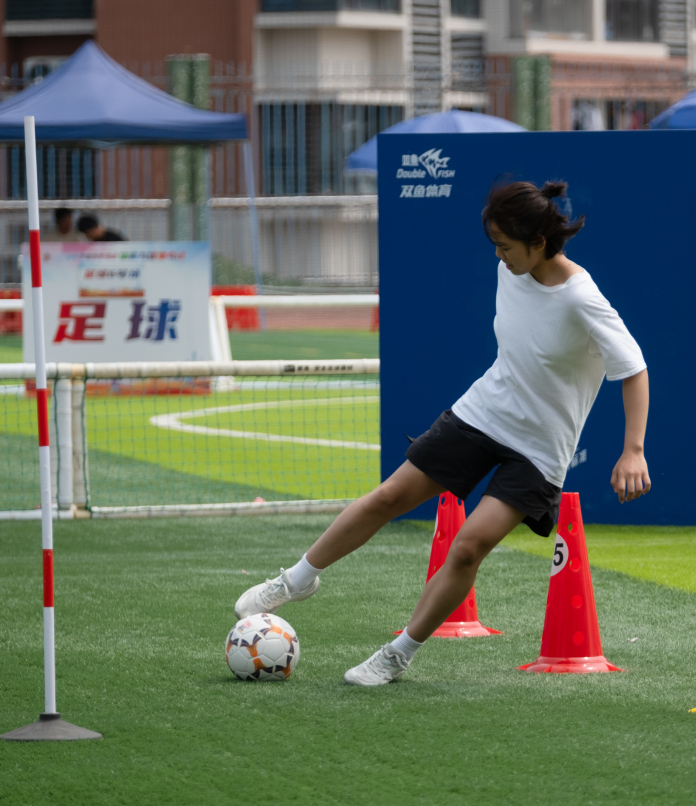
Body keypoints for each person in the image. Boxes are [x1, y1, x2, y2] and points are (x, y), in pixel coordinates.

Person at [233, 180, 651, 686]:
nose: (498, 256)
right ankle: (295, 580)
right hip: (483, 413)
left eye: (505, 245)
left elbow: (634, 368)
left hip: (539, 451)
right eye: (494, 244)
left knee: (469, 546)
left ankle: (397, 655)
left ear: (539, 242)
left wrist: (633, 450)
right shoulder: (511, 270)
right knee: (390, 495)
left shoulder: (581, 298)